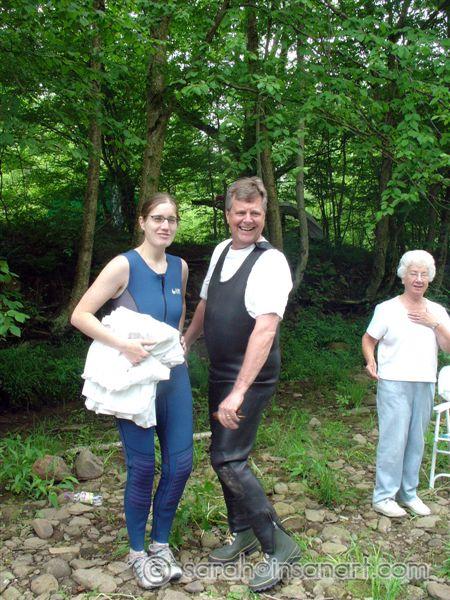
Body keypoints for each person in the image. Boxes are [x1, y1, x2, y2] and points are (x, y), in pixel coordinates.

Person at [184, 176, 300, 592]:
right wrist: (187, 341)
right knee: (221, 455)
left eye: (255, 212)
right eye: (240, 212)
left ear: (264, 215)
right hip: (220, 371)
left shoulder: (271, 262)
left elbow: (265, 330)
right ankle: (243, 531)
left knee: (229, 459)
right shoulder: (221, 251)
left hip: (251, 377)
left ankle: (278, 545)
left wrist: (239, 391)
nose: (247, 220)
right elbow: (206, 303)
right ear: (228, 214)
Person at [71, 193, 193, 589]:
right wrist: (122, 344)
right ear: (142, 221)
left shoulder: (180, 267)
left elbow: (178, 312)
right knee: (142, 468)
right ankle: (138, 553)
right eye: (157, 218)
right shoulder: (123, 265)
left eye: (171, 219)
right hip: (135, 381)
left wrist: (178, 340)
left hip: (173, 379)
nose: (165, 225)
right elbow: (80, 314)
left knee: (181, 465)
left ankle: (161, 545)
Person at [362, 250, 450, 518]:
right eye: (413, 273)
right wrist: (370, 360)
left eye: (424, 274)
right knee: (393, 439)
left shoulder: (437, 311)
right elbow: (369, 339)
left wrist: (434, 324)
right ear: (403, 276)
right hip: (394, 381)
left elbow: (447, 347)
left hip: (425, 381)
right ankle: (383, 496)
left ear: (430, 278)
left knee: (416, 440)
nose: (419, 279)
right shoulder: (387, 309)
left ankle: (408, 493)